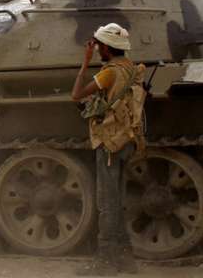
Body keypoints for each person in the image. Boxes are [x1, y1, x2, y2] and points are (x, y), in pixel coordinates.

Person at [71, 23, 148, 275]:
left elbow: (76, 94)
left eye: (99, 46)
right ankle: (125, 259)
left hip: (110, 141)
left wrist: (85, 62)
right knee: (118, 200)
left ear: (106, 47)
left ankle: (105, 261)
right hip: (127, 139)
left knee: (106, 201)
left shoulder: (109, 73)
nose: (97, 50)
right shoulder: (131, 68)